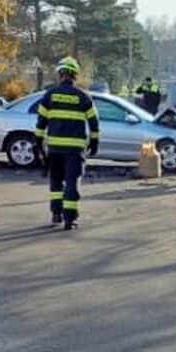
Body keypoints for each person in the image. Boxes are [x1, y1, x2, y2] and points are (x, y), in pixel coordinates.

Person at [35, 57, 99, 230]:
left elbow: (41, 122)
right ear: (75, 75)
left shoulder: (49, 95)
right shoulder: (83, 96)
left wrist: (38, 143)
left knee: (56, 181)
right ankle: (70, 219)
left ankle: (56, 214)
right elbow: (94, 121)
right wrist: (94, 140)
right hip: (75, 149)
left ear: (60, 74)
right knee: (72, 181)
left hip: (54, 148)